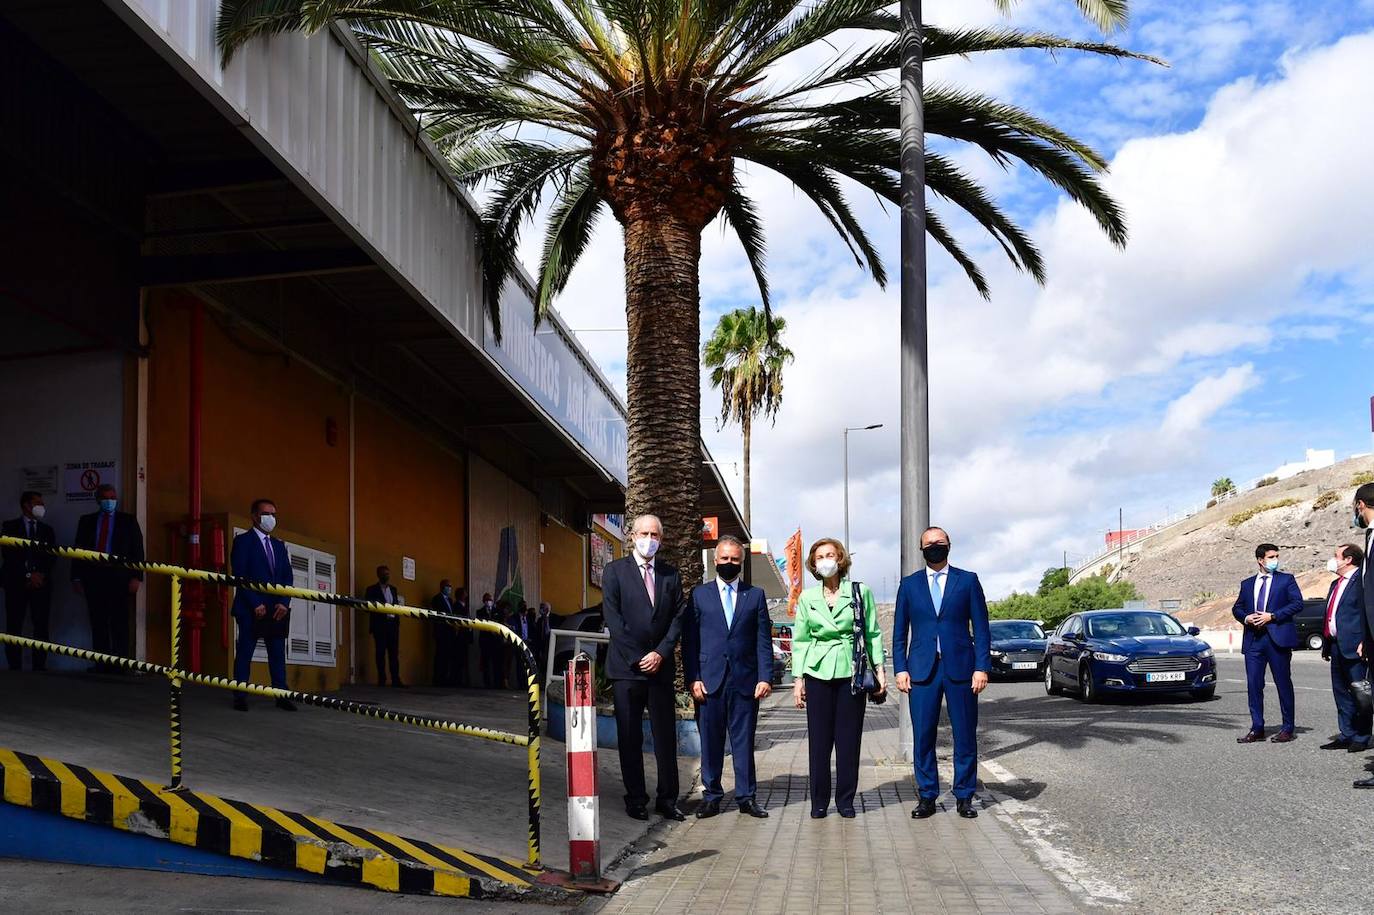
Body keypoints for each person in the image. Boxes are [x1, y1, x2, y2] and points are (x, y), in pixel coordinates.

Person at [893, 527, 988, 820]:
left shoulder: (968, 581)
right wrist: (900, 669)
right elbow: (898, 634)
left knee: (964, 735)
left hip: (960, 668)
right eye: (928, 544)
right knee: (923, 736)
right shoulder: (909, 586)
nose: (934, 546)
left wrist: (981, 667)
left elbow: (982, 629)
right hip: (922, 671)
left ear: (949, 545)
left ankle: (964, 796)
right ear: (921, 549)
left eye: (939, 542)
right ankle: (927, 796)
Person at [792, 537, 885, 819]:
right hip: (818, 670)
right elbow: (801, 640)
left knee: (848, 740)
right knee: (819, 742)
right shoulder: (807, 598)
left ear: (841, 559)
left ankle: (846, 799)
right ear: (813, 564)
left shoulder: (860, 592)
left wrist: (880, 670)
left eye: (830, 555)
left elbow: (872, 632)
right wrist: (798, 680)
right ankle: (819, 801)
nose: (826, 561)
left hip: (851, 671)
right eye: (820, 557)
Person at [602, 514, 687, 821]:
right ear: (632, 536)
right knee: (629, 735)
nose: (649, 538)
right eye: (644, 533)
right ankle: (636, 797)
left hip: (660, 669)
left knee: (665, 735)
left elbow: (678, 618)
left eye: (654, 534)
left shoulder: (670, 575)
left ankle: (668, 798)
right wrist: (640, 656)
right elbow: (614, 619)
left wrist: (660, 653)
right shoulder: (614, 572)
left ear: (660, 540)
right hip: (627, 669)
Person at [683, 535, 772, 819]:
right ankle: (712, 796)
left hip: (745, 681)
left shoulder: (755, 595)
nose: (729, 563)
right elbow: (690, 641)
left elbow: (762, 640)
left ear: (741, 562)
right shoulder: (699, 595)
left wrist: (766, 676)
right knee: (710, 742)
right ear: (715, 560)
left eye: (735, 559)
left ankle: (747, 797)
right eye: (724, 559)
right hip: (709, 681)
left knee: (744, 743)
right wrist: (693, 678)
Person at [1231, 542, 1303, 744]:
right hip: (1254, 640)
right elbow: (1237, 608)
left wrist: (1272, 616)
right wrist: (1246, 618)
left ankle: (1287, 728)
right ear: (1260, 560)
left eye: (1276, 556)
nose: (1275, 560)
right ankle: (1257, 728)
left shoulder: (1286, 580)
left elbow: (1297, 603)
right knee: (1254, 685)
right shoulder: (1247, 584)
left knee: (1283, 684)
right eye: (1271, 557)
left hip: (1277, 640)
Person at [228, 499, 295, 711]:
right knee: (245, 651)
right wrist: (255, 602)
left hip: (276, 610)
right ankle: (240, 695)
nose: (271, 518)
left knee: (277, 653)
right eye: (267, 514)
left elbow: (287, 576)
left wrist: (284, 602)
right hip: (250, 608)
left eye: (274, 514)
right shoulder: (243, 542)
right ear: (254, 516)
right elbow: (240, 574)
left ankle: (281, 694)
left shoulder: (279, 545)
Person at [72, 484, 144, 671]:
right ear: (98, 500)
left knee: (119, 622)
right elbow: (77, 549)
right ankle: (101, 663)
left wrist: (137, 577)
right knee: (98, 622)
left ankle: (121, 664)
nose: (110, 501)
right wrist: (76, 578)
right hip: (94, 577)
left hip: (119, 578)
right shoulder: (86, 521)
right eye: (106, 497)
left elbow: (137, 550)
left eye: (113, 497)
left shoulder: (127, 521)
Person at [1320, 543, 1368, 751]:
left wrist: (1366, 640)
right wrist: (1327, 643)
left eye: (1336, 556)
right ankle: (1346, 733)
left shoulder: (1363, 581)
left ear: (1348, 559)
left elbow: (1368, 613)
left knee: (1361, 694)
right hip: (1336, 646)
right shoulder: (1336, 583)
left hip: (1356, 646)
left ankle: (1362, 736)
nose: (1333, 560)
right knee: (1341, 693)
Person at [2, 491, 57, 671]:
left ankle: (39, 666)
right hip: (16, 584)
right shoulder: (9, 527)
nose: (42, 506)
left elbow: (51, 558)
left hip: (41, 585)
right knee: (14, 625)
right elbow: (9, 556)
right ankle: (15, 667)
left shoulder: (47, 530)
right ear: (26, 505)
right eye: (37, 503)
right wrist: (27, 575)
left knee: (41, 625)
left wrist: (39, 576)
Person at [366, 565, 405, 687]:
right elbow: (368, 607)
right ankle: (382, 679)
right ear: (378, 575)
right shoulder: (372, 589)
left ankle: (395, 679)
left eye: (388, 573)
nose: (386, 576)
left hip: (392, 625)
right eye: (384, 574)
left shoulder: (393, 589)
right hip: (380, 626)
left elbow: (395, 605)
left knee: (394, 654)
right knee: (380, 653)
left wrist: (397, 623)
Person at [430, 578, 460, 686]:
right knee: (440, 656)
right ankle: (438, 678)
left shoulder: (450, 601)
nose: (449, 588)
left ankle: (445, 678)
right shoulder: (436, 599)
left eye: (450, 586)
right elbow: (437, 616)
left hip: (450, 633)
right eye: (447, 586)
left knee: (447, 656)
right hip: (441, 632)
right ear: (442, 587)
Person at [478, 592, 503, 689]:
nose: (489, 602)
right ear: (483, 601)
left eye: (490, 600)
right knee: (486, 664)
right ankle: (487, 684)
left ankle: (497, 683)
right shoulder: (479, 612)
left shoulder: (498, 611)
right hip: (485, 641)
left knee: (497, 664)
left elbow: (500, 624)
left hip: (496, 642)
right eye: (487, 600)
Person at [506, 600, 533, 689]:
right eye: (522, 606)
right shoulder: (514, 618)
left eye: (525, 606)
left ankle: (526, 683)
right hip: (518, 642)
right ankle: (520, 684)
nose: (524, 608)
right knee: (519, 664)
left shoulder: (528, 618)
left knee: (526, 664)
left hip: (527, 642)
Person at [532, 601, 553, 684]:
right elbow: (538, 634)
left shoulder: (553, 618)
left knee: (548, 664)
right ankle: (540, 682)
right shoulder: (540, 620)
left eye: (542, 608)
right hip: (540, 646)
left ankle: (547, 681)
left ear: (547, 609)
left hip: (550, 645)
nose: (540, 610)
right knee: (540, 664)